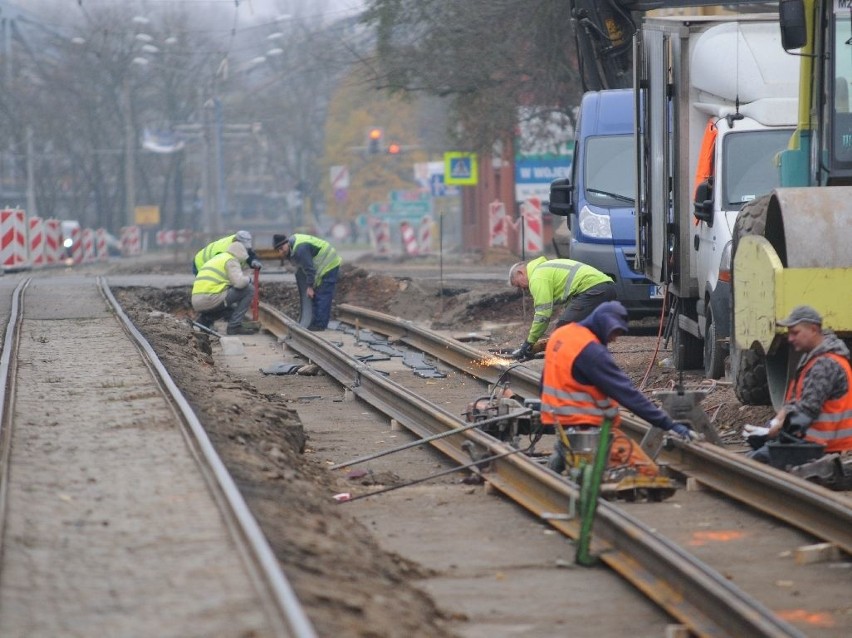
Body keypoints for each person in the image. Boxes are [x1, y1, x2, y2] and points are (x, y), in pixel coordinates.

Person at [540, 301, 697, 475]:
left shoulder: (561, 334)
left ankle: (564, 454)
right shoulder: (591, 351)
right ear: (602, 324)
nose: (613, 339)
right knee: (647, 472)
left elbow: (544, 379)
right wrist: (669, 424)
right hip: (590, 430)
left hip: (561, 424)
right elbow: (627, 394)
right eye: (613, 333)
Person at [747, 305, 852, 464]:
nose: (790, 338)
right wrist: (774, 422)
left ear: (813, 329)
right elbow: (796, 401)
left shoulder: (825, 364)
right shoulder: (813, 358)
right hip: (811, 443)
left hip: (823, 447)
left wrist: (775, 430)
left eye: (795, 332)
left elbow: (806, 411)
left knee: (757, 461)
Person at [508, 256, 617, 360]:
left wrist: (529, 342)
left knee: (561, 331)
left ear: (520, 273)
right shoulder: (544, 268)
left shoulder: (537, 277)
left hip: (594, 290)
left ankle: (563, 366)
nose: (522, 289)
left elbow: (543, 315)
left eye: (518, 285)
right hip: (606, 288)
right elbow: (573, 300)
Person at [273, 232, 342, 331]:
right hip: (321, 265)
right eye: (278, 250)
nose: (280, 252)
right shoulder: (292, 246)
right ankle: (315, 321)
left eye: (281, 248)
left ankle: (320, 325)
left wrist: (309, 287)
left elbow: (309, 269)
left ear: (287, 243)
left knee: (323, 294)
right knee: (317, 294)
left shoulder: (300, 249)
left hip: (329, 263)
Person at [191, 241, 258, 336]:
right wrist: (249, 278)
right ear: (240, 255)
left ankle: (205, 320)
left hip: (197, 301)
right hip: (210, 299)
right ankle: (234, 326)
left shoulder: (217, 258)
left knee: (230, 309)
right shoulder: (231, 260)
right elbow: (240, 283)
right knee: (249, 289)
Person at [192, 230, 262, 275]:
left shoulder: (239, 243)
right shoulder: (225, 251)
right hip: (200, 264)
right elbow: (222, 270)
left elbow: (249, 254)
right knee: (211, 287)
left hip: (209, 263)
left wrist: (253, 261)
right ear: (237, 242)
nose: (245, 250)